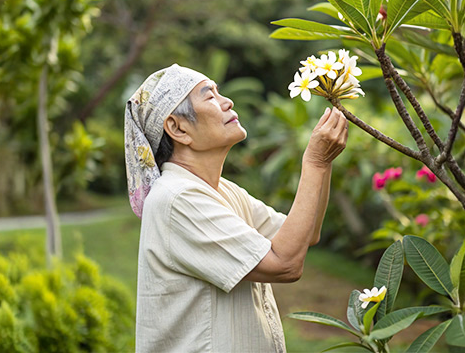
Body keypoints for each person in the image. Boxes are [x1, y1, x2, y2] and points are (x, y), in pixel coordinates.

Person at [124, 63, 348, 352]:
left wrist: (325, 161)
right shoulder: (177, 198)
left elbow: (307, 234)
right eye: (210, 96)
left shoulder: (221, 190)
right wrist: (315, 163)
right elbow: (285, 264)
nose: (227, 101)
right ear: (178, 128)